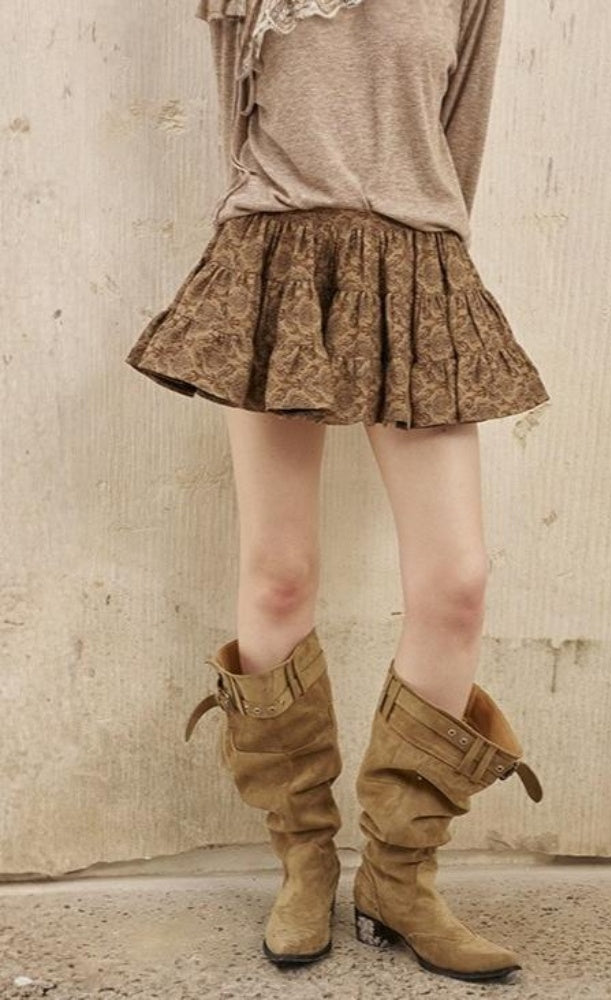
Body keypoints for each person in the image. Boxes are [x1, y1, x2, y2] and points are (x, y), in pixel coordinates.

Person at [126, 0, 547, 985]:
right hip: (275, 255)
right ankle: (305, 861)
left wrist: (425, 265)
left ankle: (399, 876)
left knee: (456, 583)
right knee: (278, 575)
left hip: (419, 263)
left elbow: (460, 133)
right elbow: (232, 120)